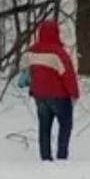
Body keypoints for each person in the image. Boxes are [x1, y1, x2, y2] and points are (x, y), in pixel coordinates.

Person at [24, 20, 80, 161]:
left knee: (44, 127)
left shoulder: (31, 51)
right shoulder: (58, 53)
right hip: (59, 96)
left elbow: (28, 72)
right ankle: (61, 156)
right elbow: (68, 75)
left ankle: (45, 157)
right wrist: (74, 93)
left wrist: (33, 88)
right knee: (65, 125)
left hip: (40, 96)